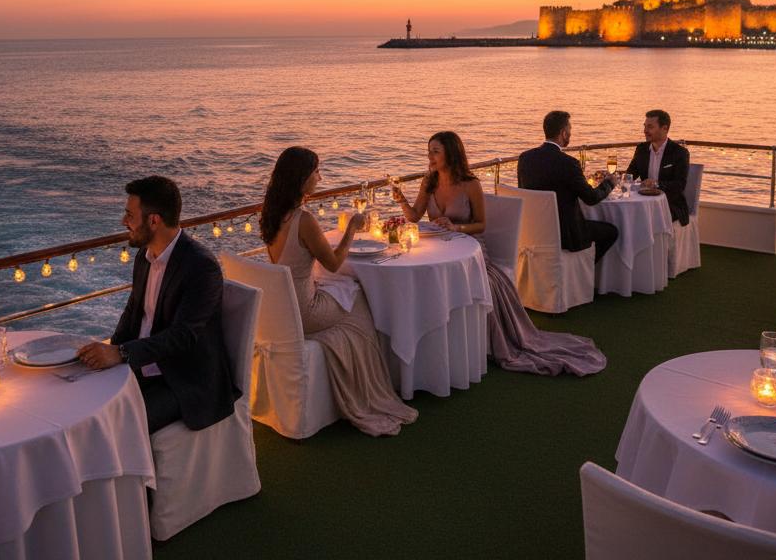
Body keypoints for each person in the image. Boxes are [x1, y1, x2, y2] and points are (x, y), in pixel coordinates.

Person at [393, 132, 606, 376]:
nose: (429, 156)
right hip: (440, 246)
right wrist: (401, 201)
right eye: (428, 150)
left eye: (435, 151)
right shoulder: (428, 181)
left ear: (450, 153)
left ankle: (480, 338)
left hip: (471, 245)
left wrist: (456, 227)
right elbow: (414, 216)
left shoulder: (470, 184)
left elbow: (481, 225)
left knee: (487, 281)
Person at [261, 146, 418, 437]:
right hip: (305, 313)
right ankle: (370, 386)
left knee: (344, 289)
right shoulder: (303, 220)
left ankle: (365, 377)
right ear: (302, 178)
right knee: (357, 295)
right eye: (316, 172)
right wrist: (352, 230)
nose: (320, 178)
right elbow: (333, 264)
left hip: (282, 307)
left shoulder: (271, 213)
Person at [77, 176, 237, 434]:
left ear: (154, 220)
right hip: (142, 366)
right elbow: (133, 312)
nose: (123, 222)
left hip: (183, 379)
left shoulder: (200, 266)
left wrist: (122, 354)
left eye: (130, 215)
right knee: (86, 405)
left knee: (117, 424)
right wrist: (111, 351)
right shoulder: (145, 255)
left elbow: (182, 337)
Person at [517, 110, 619, 260]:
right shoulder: (569, 163)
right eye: (570, 130)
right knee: (611, 232)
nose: (570, 133)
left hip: (534, 231)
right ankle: (585, 268)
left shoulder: (525, 158)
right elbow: (590, 198)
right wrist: (610, 183)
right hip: (566, 235)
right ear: (564, 133)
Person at [625, 109, 690, 226]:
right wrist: (613, 179)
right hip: (644, 201)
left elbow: (679, 185)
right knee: (626, 213)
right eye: (645, 126)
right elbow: (629, 175)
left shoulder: (679, 153)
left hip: (669, 204)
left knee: (642, 217)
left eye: (650, 127)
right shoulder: (641, 149)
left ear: (664, 128)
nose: (645, 131)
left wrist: (656, 184)